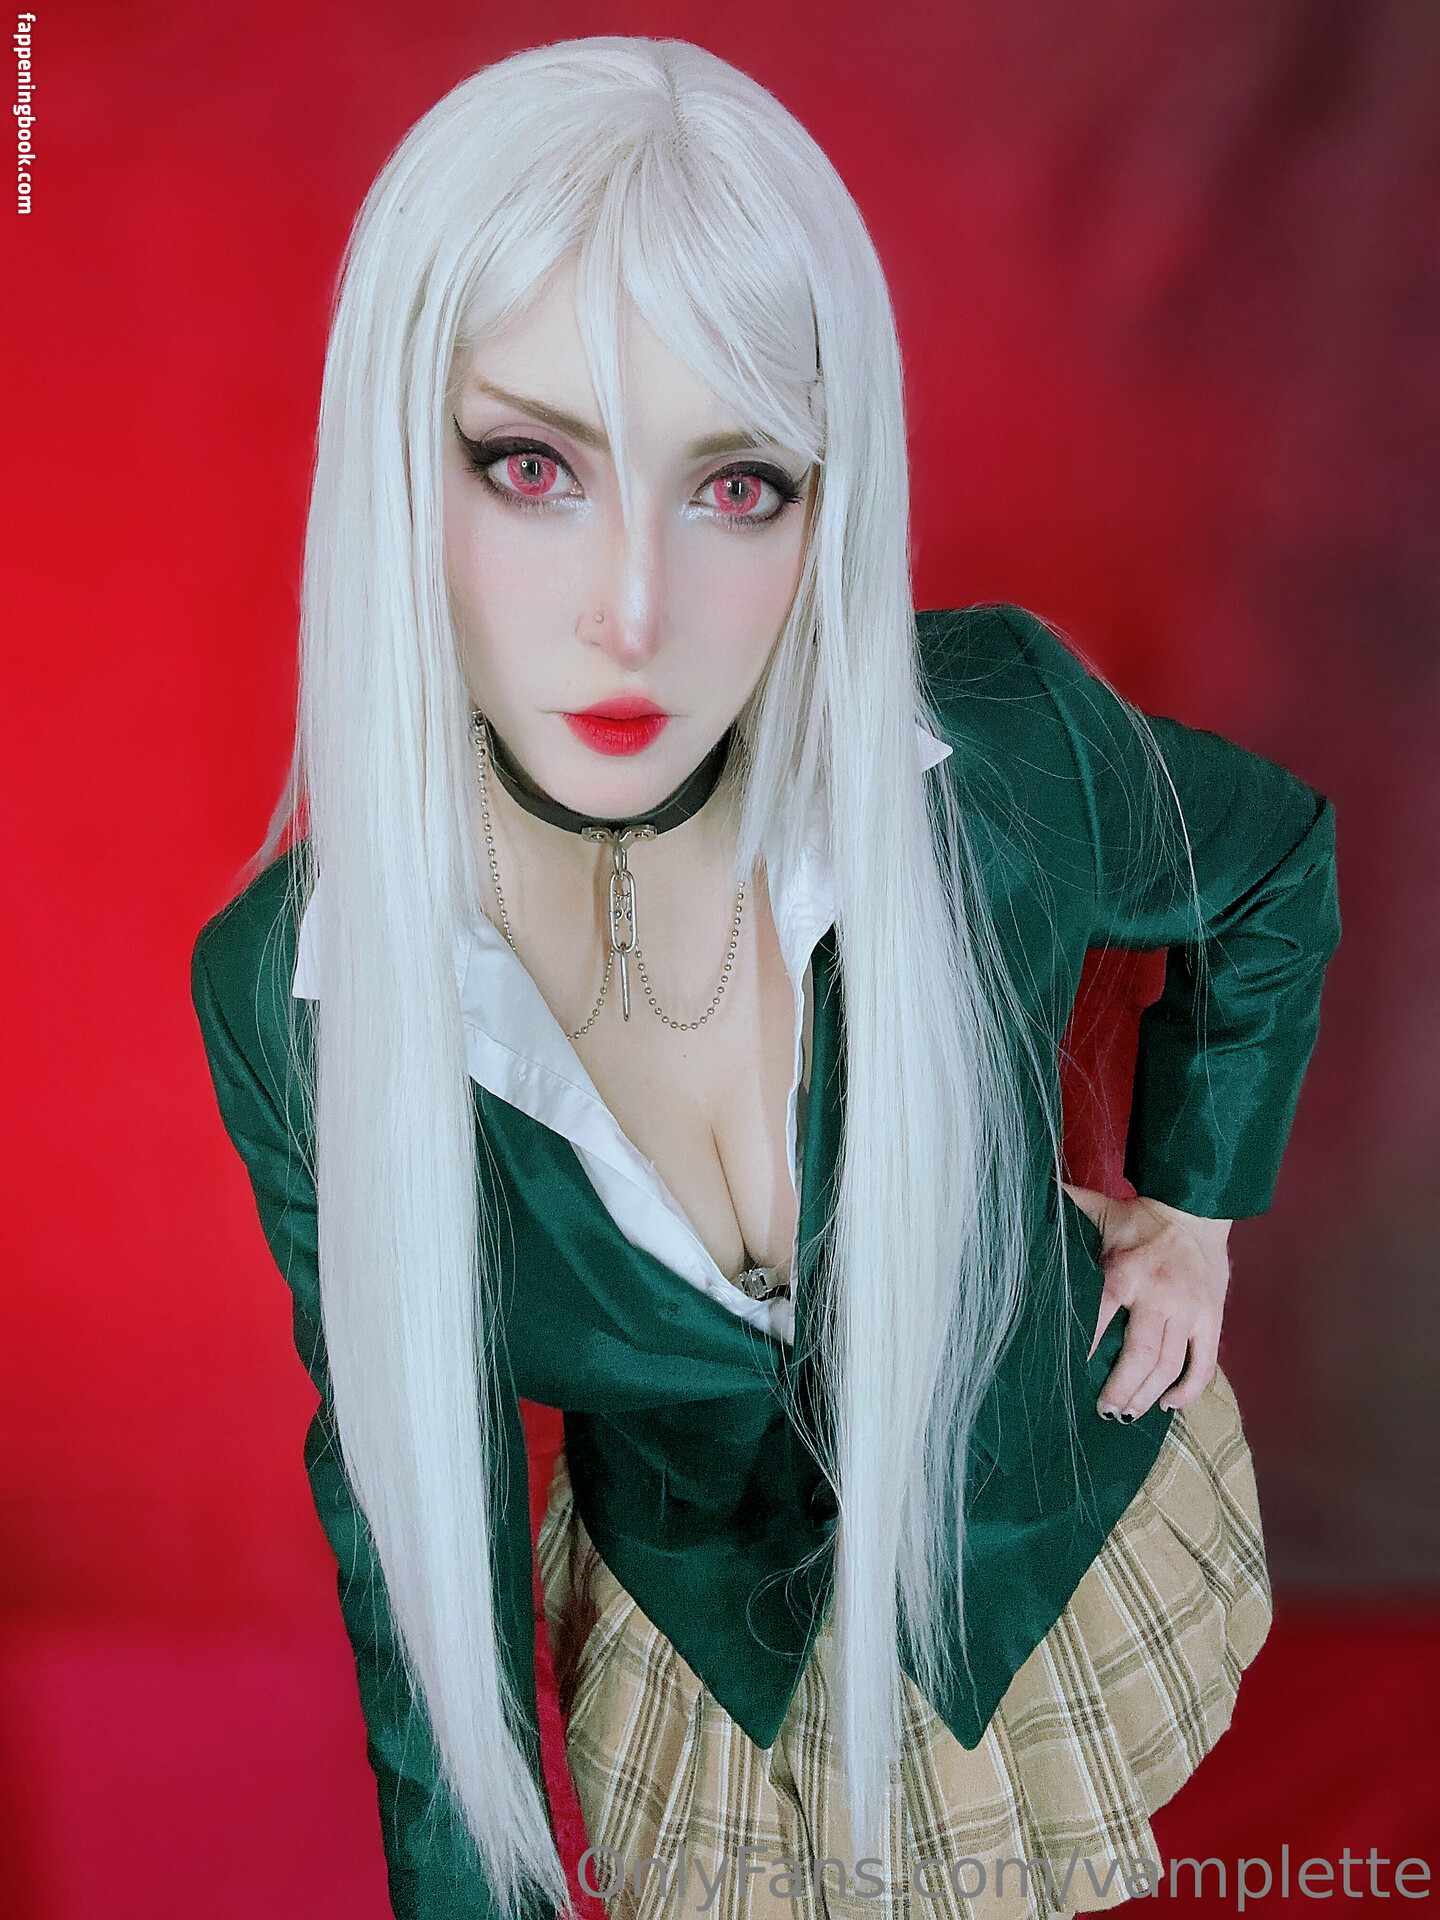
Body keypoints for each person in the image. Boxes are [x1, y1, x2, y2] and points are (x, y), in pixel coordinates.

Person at [190, 36, 1340, 1920]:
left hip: (1042, 1561)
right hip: (714, 1672)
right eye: (531, 465)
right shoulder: (297, 1000)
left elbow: (1273, 863)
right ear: (396, 464)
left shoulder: (992, 755)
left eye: (737, 485)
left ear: (831, 497)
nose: (632, 611)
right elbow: (412, 1496)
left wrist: (1197, 1207)